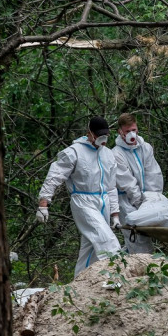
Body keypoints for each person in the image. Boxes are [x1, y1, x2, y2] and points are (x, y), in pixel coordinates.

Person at [36, 116, 122, 276]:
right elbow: (54, 176)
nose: (102, 139)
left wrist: (115, 214)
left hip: (104, 202)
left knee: (90, 247)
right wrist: (43, 203)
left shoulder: (108, 155)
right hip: (83, 202)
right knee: (107, 241)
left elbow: (111, 187)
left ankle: (79, 286)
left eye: (105, 135)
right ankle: (115, 281)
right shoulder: (74, 152)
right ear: (89, 133)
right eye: (99, 135)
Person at [111, 112, 164, 253]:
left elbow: (153, 174)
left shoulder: (145, 147)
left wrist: (153, 200)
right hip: (126, 202)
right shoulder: (116, 154)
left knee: (143, 237)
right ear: (120, 132)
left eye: (133, 130)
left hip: (146, 199)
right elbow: (127, 183)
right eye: (127, 131)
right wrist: (140, 204)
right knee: (136, 238)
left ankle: (122, 263)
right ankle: (139, 268)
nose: (131, 134)